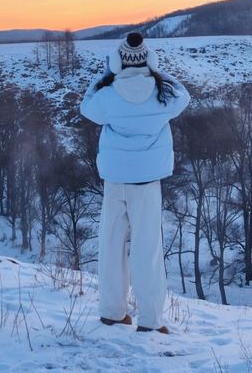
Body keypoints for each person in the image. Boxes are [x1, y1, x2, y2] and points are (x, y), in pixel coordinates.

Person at [80, 31, 190, 333]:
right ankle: (151, 321)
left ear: (118, 61)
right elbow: (185, 95)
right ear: (148, 60)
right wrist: (157, 70)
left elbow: (86, 107)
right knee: (147, 249)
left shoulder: (108, 95)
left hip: (115, 181)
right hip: (147, 183)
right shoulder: (162, 94)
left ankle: (112, 312)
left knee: (112, 245)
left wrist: (105, 74)